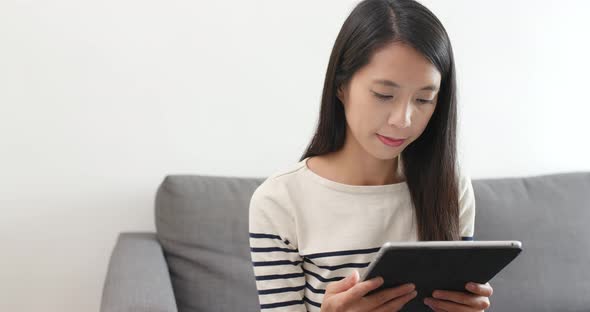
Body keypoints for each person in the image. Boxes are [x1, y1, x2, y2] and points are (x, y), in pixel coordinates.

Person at [249, 0, 493, 311]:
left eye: (424, 99)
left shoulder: (451, 186)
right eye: (383, 95)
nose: (402, 119)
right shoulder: (279, 201)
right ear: (341, 85)